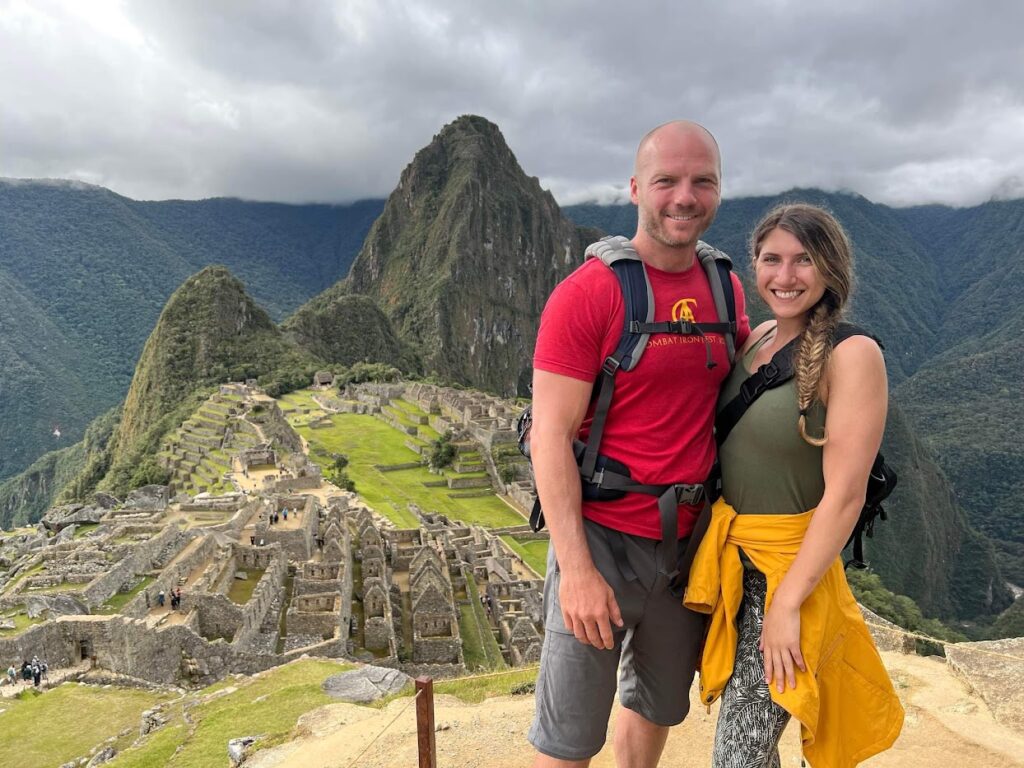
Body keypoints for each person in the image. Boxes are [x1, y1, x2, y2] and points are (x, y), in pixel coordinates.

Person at [527, 120, 750, 768]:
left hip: (687, 547)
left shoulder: (724, 286)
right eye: (667, 181)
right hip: (602, 538)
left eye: (701, 181)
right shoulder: (589, 295)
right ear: (635, 189)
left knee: (654, 710)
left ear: (718, 189)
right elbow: (549, 436)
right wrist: (575, 572)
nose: (684, 196)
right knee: (567, 740)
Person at [684, 204, 904, 767]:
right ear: (754, 266)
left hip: (792, 576)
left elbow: (845, 496)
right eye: (772, 259)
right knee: (752, 744)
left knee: (739, 753)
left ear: (831, 268)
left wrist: (785, 605)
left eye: (803, 260)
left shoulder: (852, 355)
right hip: (736, 563)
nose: (786, 276)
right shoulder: (755, 340)